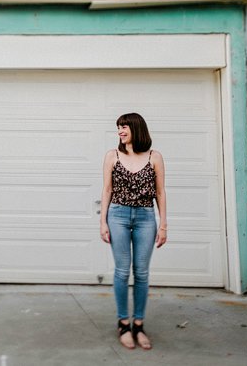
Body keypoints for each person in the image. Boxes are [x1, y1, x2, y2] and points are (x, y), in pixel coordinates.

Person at [99, 112, 167, 351]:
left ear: (136, 128)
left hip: (145, 217)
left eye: (124, 127)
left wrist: (164, 225)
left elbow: (160, 193)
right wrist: (103, 222)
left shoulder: (154, 157)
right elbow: (107, 190)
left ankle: (138, 324)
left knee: (142, 272)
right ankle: (123, 324)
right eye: (118, 127)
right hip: (117, 215)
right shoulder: (112, 156)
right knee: (121, 271)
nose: (120, 131)